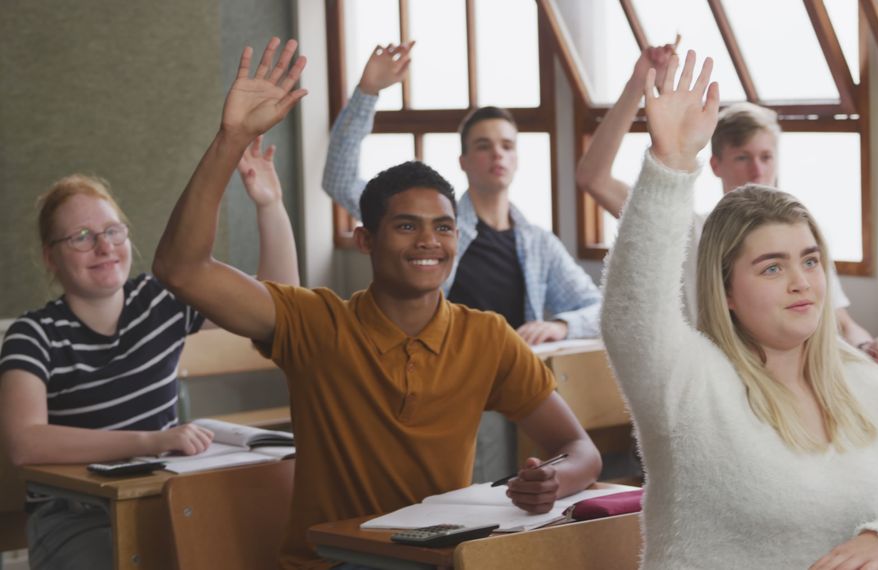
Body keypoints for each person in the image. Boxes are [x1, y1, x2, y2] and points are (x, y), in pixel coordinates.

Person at [151, 38, 601, 570]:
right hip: (334, 562)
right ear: (366, 240)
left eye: (443, 228)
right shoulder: (313, 321)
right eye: (406, 226)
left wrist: (553, 480)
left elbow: (581, 450)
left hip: (436, 561)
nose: (429, 241)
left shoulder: (487, 336)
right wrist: (232, 138)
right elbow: (182, 268)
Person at [602, 50, 878, 569]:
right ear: (725, 293)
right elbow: (632, 314)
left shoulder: (865, 386)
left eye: (809, 261)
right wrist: (671, 165)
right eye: (771, 268)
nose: (801, 283)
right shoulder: (690, 383)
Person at [0, 134, 299, 569]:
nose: (103, 247)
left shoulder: (161, 299)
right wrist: (153, 441)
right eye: (81, 237)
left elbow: (274, 303)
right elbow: (26, 443)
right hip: (75, 519)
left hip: (163, 500)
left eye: (111, 231)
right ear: (51, 257)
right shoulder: (33, 334)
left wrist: (270, 205)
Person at [577, 45, 878, 369]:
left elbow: (841, 324)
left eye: (766, 158)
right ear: (717, 165)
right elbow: (594, 177)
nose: (757, 171)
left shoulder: (799, 238)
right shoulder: (685, 228)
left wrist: (868, 346)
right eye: (743, 158)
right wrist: (639, 83)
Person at [323, 42, 601, 345]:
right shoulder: (430, 221)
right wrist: (367, 93)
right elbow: (340, 181)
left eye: (507, 146)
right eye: (484, 145)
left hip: (512, 376)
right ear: (463, 161)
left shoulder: (538, 244)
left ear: (517, 159)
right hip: (435, 372)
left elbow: (600, 310)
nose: (497, 154)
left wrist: (562, 325)